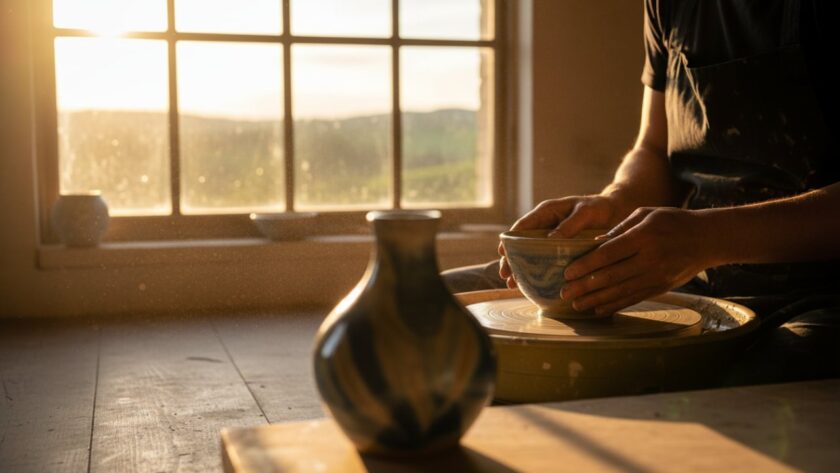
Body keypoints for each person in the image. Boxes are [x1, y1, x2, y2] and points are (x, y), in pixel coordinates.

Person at [444, 0, 840, 384]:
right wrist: (614, 204)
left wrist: (709, 238)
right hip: (696, 272)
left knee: (761, 385)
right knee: (425, 301)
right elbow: (653, 148)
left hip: (819, 293)